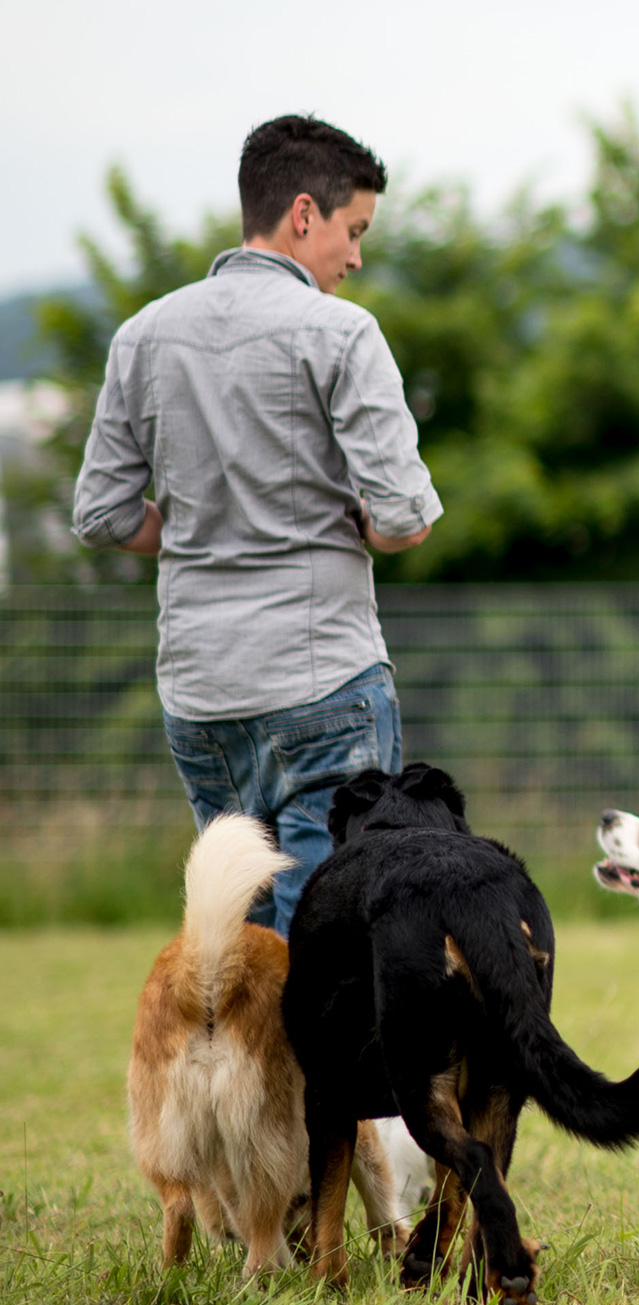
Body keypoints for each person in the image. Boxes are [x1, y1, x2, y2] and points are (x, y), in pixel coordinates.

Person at [71, 115, 440, 936]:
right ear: (303, 214)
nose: (355, 256)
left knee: (243, 944)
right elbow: (406, 517)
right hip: (324, 683)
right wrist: (358, 523)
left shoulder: (143, 335)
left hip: (202, 694)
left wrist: (206, 529)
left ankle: (244, 1072)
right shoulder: (342, 333)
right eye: (354, 231)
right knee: (331, 939)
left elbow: (100, 512)